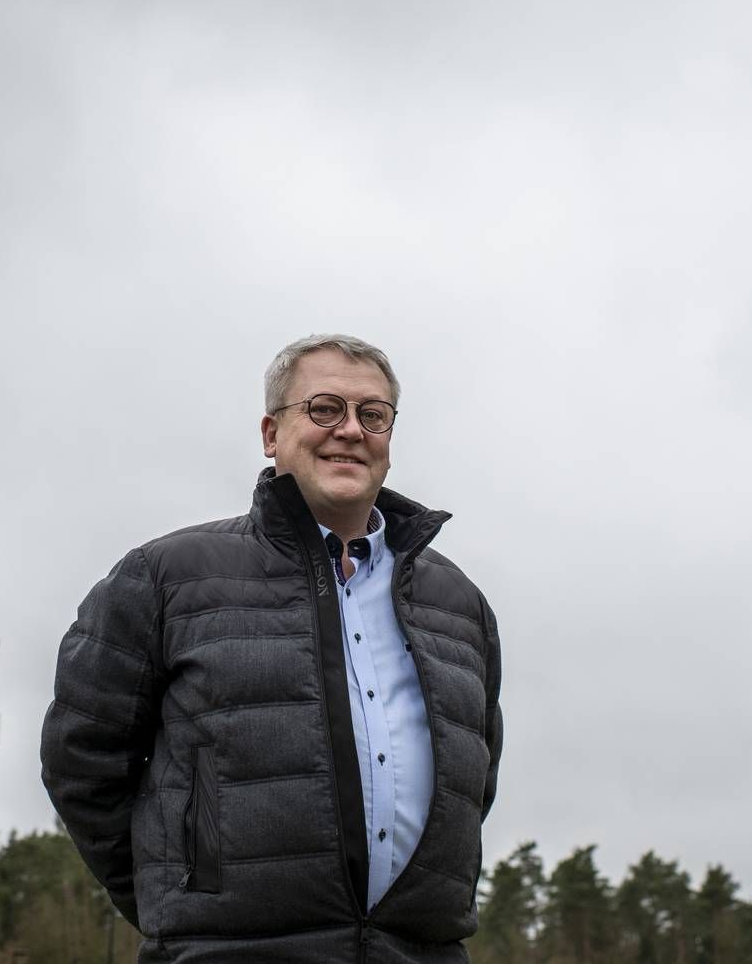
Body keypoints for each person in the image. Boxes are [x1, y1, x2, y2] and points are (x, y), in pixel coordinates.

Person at [41, 334, 502, 963]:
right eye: (324, 409)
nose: (350, 431)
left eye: (373, 415)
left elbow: (473, 782)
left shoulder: (460, 605)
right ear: (270, 432)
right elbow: (82, 760)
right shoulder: (164, 577)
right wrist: (182, 896)